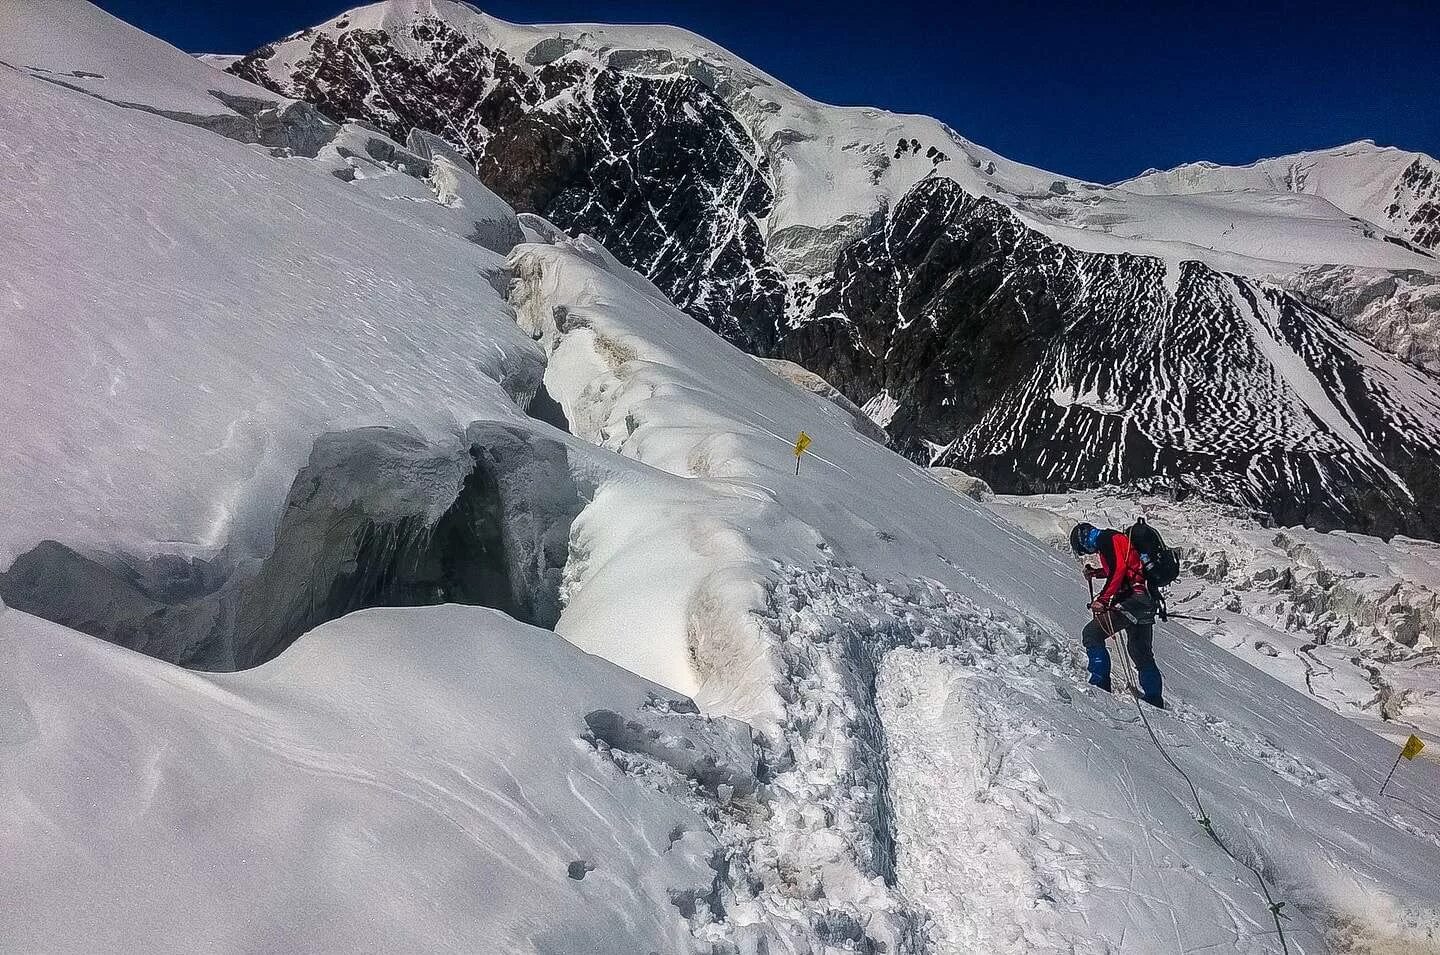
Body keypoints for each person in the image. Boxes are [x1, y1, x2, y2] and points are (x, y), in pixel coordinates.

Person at [1069, 522, 1164, 708]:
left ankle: (1100, 685)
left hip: (1132, 600)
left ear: (1084, 540)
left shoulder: (1106, 540)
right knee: (1140, 651)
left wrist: (1103, 600)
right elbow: (1120, 567)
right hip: (1146, 599)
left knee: (1092, 634)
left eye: (1083, 549)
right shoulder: (1115, 539)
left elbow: (1119, 570)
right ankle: (1154, 698)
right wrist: (1096, 573)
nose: (1087, 552)